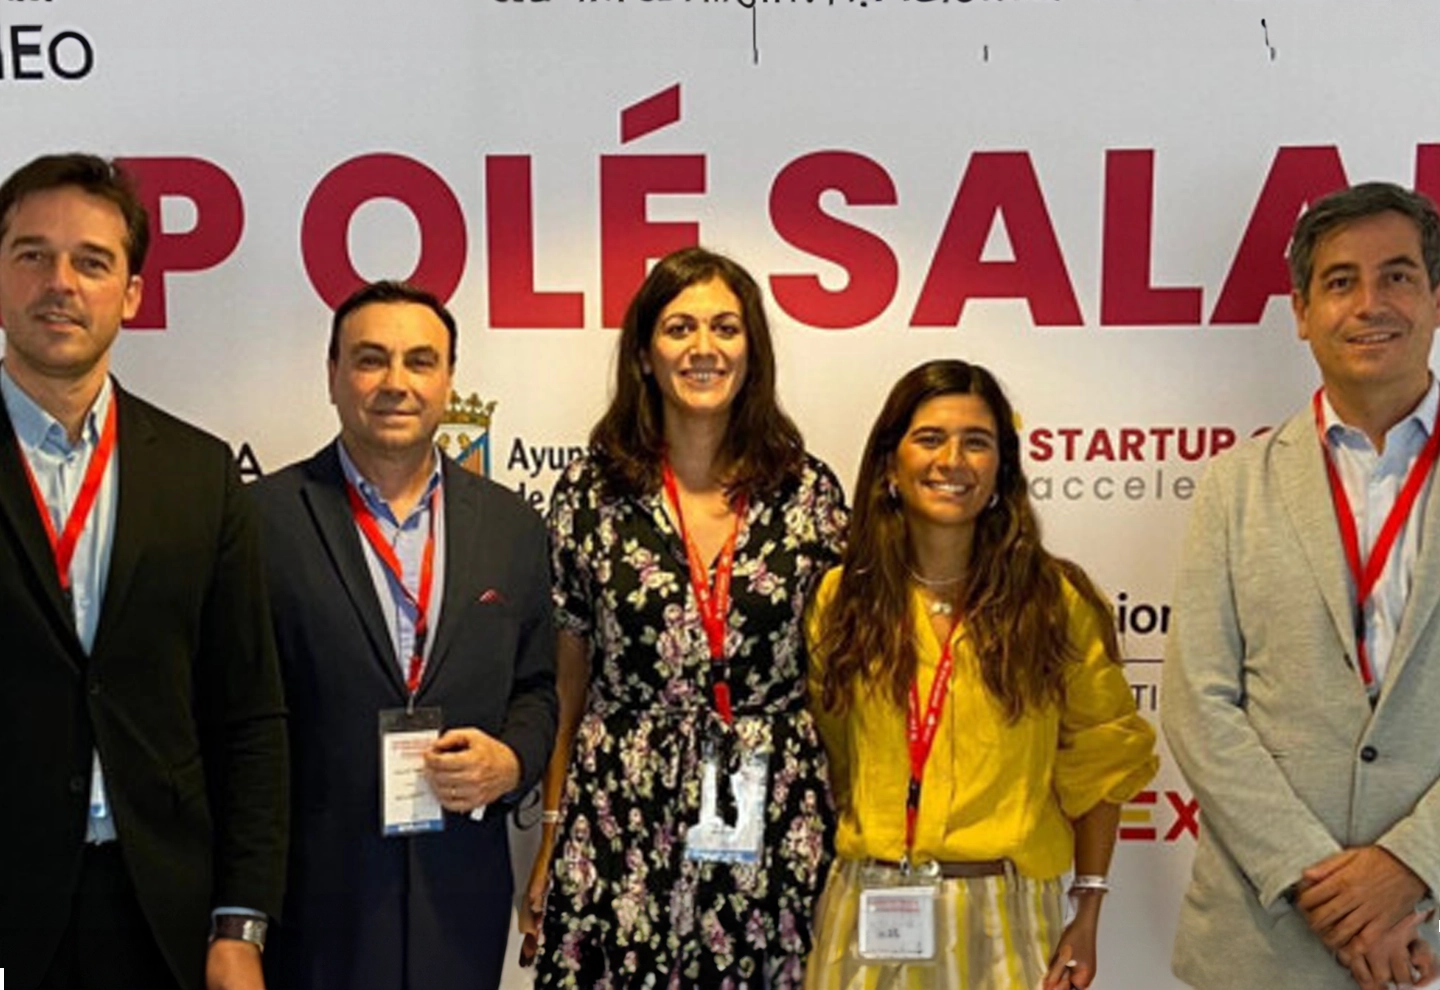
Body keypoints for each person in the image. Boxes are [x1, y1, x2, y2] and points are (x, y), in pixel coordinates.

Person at [519, 247, 848, 987]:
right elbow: (568, 681)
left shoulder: (808, 493)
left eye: (725, 328)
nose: (704, 348)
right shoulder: (591, 493)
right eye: (679, 328)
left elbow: (838, 678)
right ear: (644, 354)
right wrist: (551, 832)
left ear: (752, 352)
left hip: (775, 806)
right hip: (620, 809)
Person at [0, 152, 288, 990]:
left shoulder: (200, 474)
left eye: (92, 262)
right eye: (32, 255)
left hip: (161, 917)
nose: (61, 283)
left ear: (130, 294)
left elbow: (249, 714)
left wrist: (242, 921)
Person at [1163, 181, 1440, 990]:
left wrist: (1411, 863)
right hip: (1264, 942)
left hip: (1427, 938)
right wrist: (1321, 884)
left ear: (1436, 298)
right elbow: (1198, 703)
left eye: (1397, 276)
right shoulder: (1236, 484)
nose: (1370, 304)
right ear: (1302, 312)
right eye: (1341, 282)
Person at [806, 359, 1157, 990]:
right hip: (870, 908)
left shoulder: (1054, 602)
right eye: (930, 438)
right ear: (889, 465)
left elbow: (1103, 762)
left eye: (976, 442)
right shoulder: (842, 600)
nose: (952, 460)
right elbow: (836, 755)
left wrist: (1089, 908)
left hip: (1006, 918)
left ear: (1002, 469)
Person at [253, 280, 556, 990]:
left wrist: (512, 761)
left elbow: (538, 687)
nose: (396, 382)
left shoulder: (513, 526)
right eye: (370, 360)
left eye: (420, 361)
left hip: (462, 892)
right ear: (332, 375)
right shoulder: (260, 521)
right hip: (317, 897)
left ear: (448, 380)